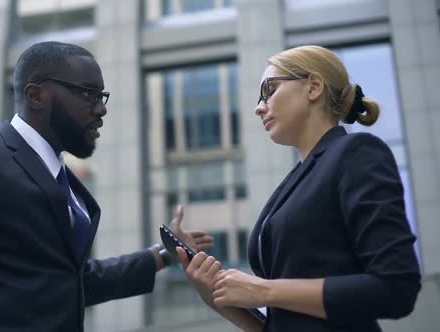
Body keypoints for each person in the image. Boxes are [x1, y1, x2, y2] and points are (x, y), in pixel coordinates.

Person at [0, 41, 213, 332]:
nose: (101, 109)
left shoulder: (67, 184)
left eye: (102, 96)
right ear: (36, 95)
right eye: (88, 93)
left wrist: (161, 255)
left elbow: (68, 281)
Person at [177, 45, 421, 332]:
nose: (258, 106)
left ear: (313, 87)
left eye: (270, 90)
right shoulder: (295, 180)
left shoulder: (357, 153)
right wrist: (216, 298)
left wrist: (264, 291)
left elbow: (396, 286)